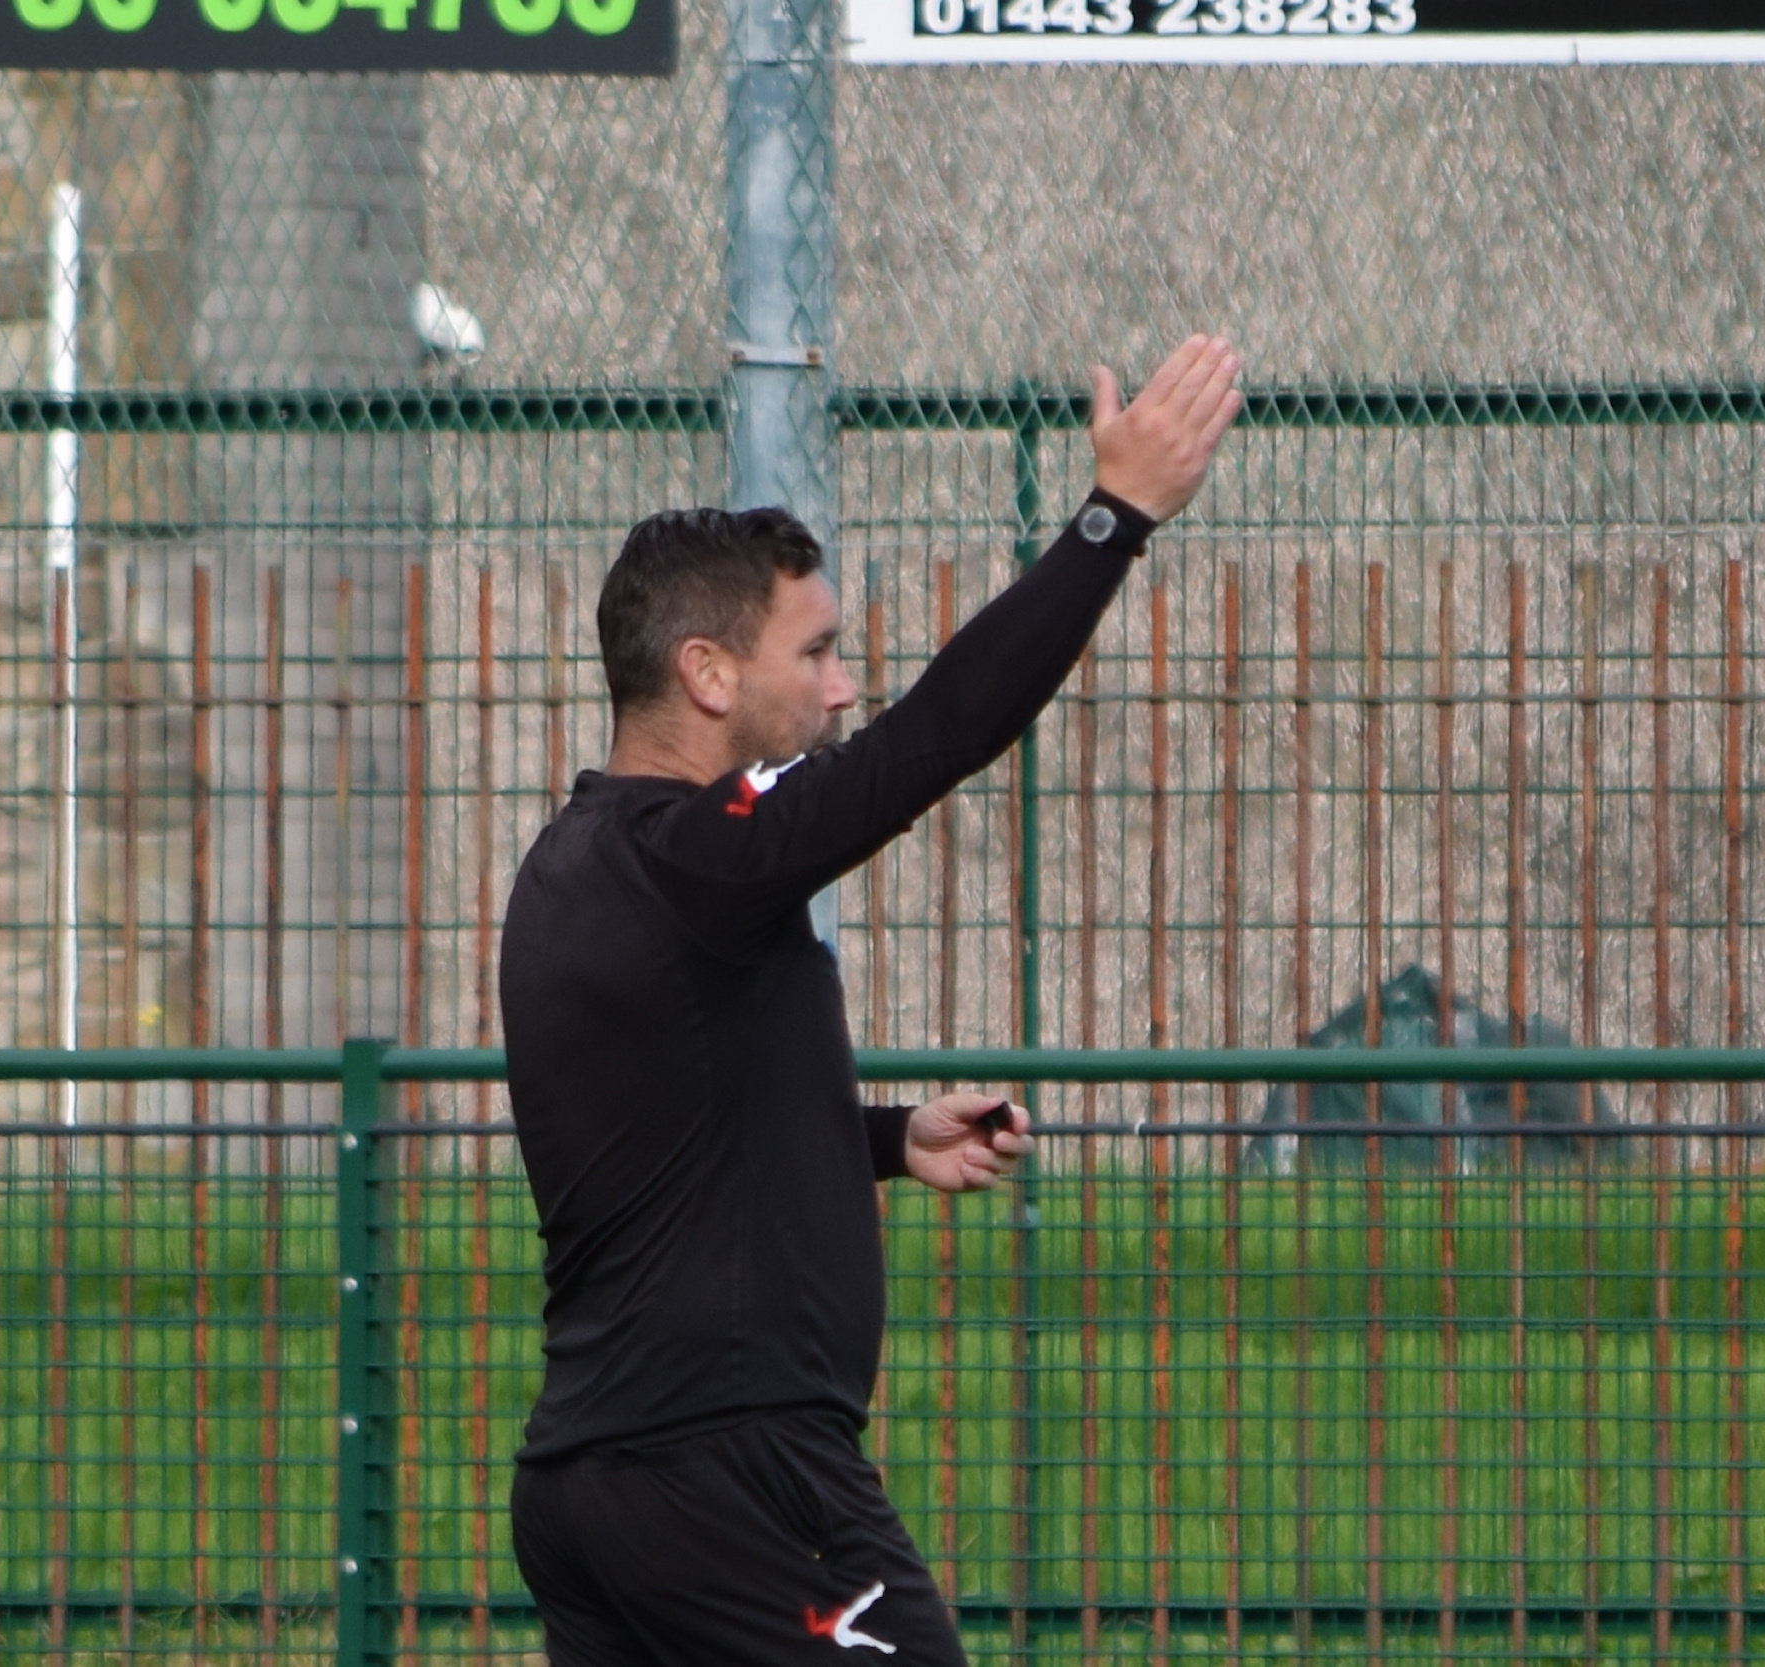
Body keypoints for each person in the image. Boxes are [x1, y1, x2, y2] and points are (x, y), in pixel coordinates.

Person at [500, 334, 1243, 1666]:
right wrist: (1113, 516)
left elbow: (675, 1142)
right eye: (819, 652)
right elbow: (928, 740)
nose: (844, 687)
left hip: (592, 1486)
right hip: (730, 1477)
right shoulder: (692, 857)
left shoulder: (575, 867)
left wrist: (887, 1138)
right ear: (709, 675)